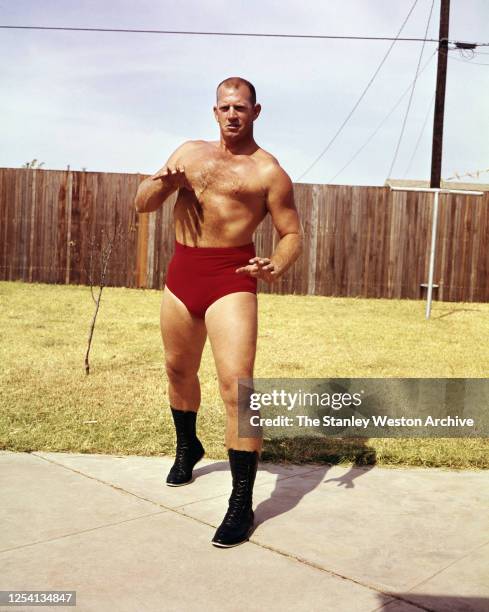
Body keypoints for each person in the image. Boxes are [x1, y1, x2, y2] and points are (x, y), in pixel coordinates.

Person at [134, 76, 302, 547]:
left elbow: (292, 233)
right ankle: (187, 446)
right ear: (214, 111)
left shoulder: (269, 172)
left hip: (232, 277)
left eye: (241, 108)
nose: (232, 114)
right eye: (225, 107)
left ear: (255, 112)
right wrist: (160, 184)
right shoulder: (188, 153)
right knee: (177, 369)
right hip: (182, 273)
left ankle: (241, 501)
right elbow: (142, 204)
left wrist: (278, 262)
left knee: (238, 388)